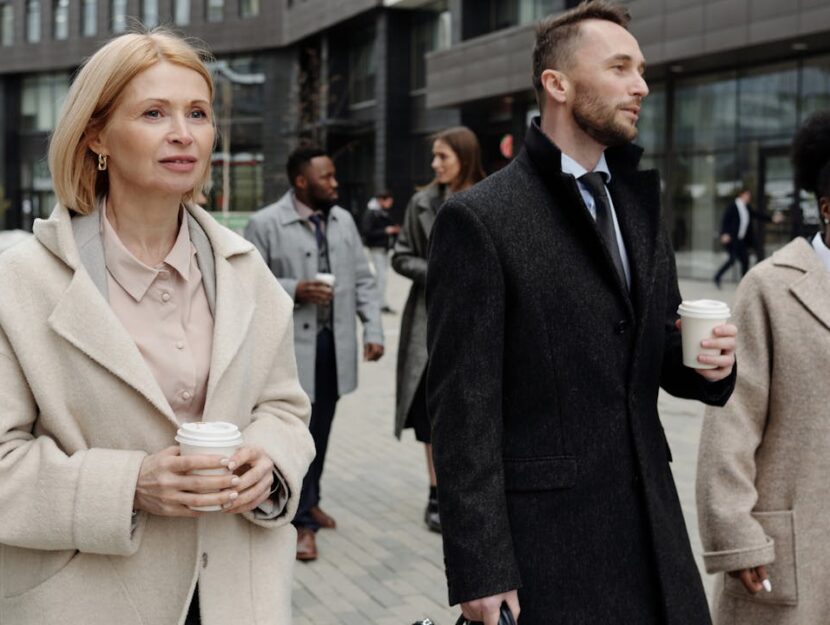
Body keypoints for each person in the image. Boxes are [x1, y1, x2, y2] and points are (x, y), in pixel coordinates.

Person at [425, 3, 738, 624]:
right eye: (620, 67)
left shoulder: (641, 205)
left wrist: (706, 363)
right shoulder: (480, 219)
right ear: (558, 84)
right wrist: (481, 568)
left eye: (641, 69)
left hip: (652, 527)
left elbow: (653, 351)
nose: (641, 85)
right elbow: (463, 411)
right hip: (550, 544)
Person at [0, 30, 315, 624]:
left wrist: (269, 464)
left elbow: (284, 409)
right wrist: (130, 486)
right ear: (97, 137)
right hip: (86, 600)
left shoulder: (246, 271)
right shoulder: (20, 283)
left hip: (236, 595)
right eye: (153, 113)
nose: (183, 133)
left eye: (198, 113)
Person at [697, 110, 830, 625]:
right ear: (826, 207)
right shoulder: (771, 286)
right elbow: (731, 419)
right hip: (789, 544)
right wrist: (736, 534)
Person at [245, 144, 384, 562]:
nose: (335, 183)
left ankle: (312, 500)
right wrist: (296, 289)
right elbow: (248, 284)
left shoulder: (343, 221)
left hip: (334, 347)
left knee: (321, 429)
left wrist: (372, 328)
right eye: (327, 177)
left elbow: (364, 278)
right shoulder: (264, 223)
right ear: (301, 181)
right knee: (296, 433)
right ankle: (299, 521)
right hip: (288, 352)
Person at [392, 127, 484, 533]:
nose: (435, 164)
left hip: (480, 326)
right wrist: (439, 273)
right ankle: (437, 492)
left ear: (464, 156)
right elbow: (400, 256)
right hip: (430, 326)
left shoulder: (493, 197)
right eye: (434, 156)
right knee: (432, 418)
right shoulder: (421, 203)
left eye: (443, 156)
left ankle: (472, 491)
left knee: (474, 414)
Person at [713, 189, 784, 287]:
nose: (749, 197)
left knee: (745, 260)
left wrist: (772, 218)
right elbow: (725, 220)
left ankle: (744, 283)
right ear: (741, 195)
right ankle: (717, 276)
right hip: (732, 239)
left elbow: (758, 215)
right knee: (732, 259)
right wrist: (724, 233)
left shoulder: (746, 207)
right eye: (747, 195)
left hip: (741, 240)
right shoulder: (733, 206)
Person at [362, 189, 399, 313]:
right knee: (380, 277)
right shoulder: (372, 213)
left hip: (384, 249)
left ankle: (380, 302)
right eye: (388, 201)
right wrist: (385, 231)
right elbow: (367, 232)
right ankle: (377, 303)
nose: (390, 204)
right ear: (382, 200)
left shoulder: (381, 212)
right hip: (376, 249)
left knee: (382, 277)